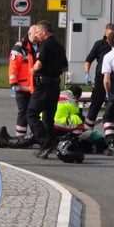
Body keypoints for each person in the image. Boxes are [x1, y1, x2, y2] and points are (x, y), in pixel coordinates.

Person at [26, 21, 68, 158]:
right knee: (48, 117)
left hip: (43, 84)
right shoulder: (60, 46)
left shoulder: (45, 45)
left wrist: (32, 70)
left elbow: (38, 66)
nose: (36, 35)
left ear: (44, 32)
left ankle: (46, 143)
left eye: (37, 32)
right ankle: (49, 145)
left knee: (31, 113)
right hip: (55, 85)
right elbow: (65, 68)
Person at [7, 31, 36, 138]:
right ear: (29, 33)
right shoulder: (19, 47)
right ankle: (20, 137)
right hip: (22, 87)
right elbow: (13, 67)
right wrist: (13, 83)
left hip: (34, 87)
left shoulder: (38, 46)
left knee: (33, 113)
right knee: (23, 112)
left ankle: (34, 136)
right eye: (34, 34)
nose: (36, 37)